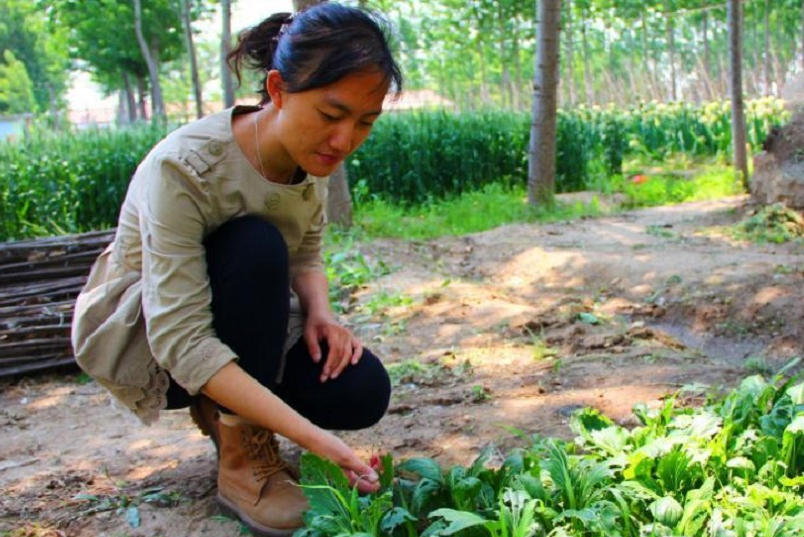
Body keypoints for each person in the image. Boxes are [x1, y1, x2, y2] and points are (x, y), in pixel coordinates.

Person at [70, 4, 403, 536]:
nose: (345, 140)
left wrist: (321, 312)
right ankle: (243, 463)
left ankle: (226, 408)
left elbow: (307, 248)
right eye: (331, 114)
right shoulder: (184, 168)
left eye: (365, 122)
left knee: (360, 390)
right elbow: (181, 339)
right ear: (276, 89)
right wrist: (317, 442)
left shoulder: (307, 155)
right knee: (254, 245)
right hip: (149, 335)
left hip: (243, 313)